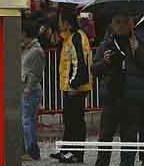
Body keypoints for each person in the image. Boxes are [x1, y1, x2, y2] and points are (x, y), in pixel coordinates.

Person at [91, 14, 143, 166]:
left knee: (129, 138)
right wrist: (105, 62)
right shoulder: (106, 44)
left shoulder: (138, 43)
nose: (121, 26)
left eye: (125, 22)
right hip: (111, 97)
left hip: (132, 98)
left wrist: (137, 50)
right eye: (117, 22)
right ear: (112, 24)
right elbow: (94, 69)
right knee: (105, 137)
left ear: (131, 24)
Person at [51, 9, 94, 163]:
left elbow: (80, 63)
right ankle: (67, 150)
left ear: (68, 23)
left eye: (61, 21)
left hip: (76, 88)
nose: (58, 24)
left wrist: (73, 84)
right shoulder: (70, 38)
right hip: (71, 88)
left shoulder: (76, 38)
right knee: (70, 120)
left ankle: (76, 154)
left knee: (75, 121)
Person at [21, 20, 46, 161]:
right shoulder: (27, 48)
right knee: (26, 121)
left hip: (30, 90)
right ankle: (28, 149)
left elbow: (36, 73)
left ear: (25, 33)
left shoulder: (36, 51)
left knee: (27, 121)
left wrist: (28, 89)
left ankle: (32, 151)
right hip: (25, 89)